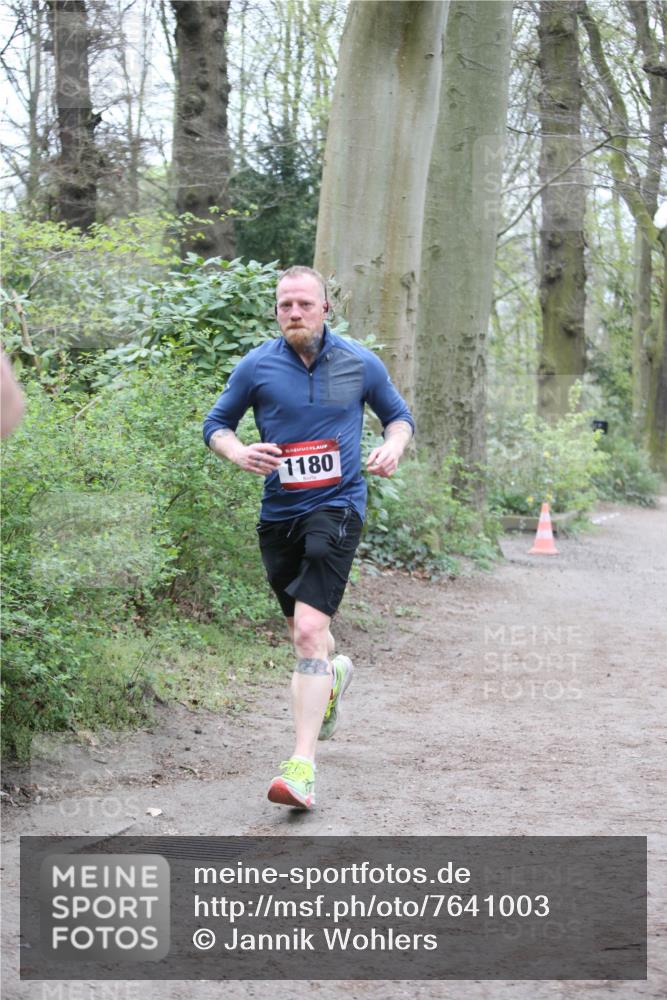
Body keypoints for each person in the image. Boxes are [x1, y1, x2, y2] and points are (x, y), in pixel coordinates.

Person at [203, 266, 414, 809]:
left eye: (304, 304)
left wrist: (393, 447)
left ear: (326, 308)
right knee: (310, 636)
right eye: (284, 306)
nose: (294, 313)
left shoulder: (358, 362)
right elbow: (216, 424)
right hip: (279, 515)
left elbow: (398, 417)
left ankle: (300, 768)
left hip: (338, 505)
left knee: (306, 632)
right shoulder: (258, 365)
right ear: (276, 312)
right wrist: (238, 451)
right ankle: (335, 675)